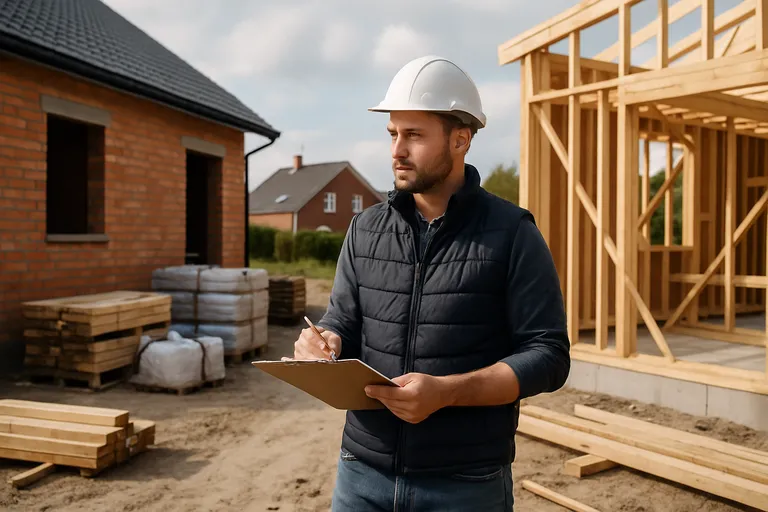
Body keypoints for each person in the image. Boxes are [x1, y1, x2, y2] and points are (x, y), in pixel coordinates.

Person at [291, 55, 571, 511]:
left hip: (465, 483)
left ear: (461, 139)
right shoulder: (365, 229)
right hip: (361, 474)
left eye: (414, 135)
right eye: (393, 134)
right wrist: (325, 341)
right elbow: (342, 319)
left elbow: (549, 356)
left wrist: (448, 393)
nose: (396, 150)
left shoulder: (513, 233)